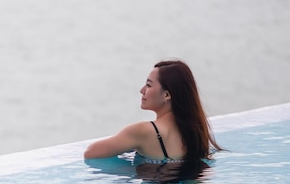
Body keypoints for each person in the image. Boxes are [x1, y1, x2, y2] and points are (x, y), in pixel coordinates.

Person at [84, 59, 223, 167]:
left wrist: (133, 169)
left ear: (166, 95)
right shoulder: (196, 131)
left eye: (149, 85)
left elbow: (91, 153)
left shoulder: (142, 132)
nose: (142, 90)